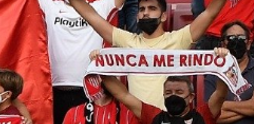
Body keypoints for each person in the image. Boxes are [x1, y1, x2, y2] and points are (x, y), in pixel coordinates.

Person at [67, 0, 227, 110]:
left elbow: (210, 13)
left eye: (152, 8)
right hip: (136, 123)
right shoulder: (128, 40)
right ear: (137, 16)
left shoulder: (179, 39)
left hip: (169, 121)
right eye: (142, 9)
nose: (145, 13)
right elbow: (92, 17)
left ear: (164, 16)